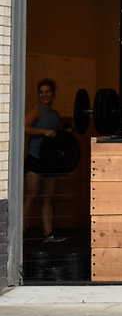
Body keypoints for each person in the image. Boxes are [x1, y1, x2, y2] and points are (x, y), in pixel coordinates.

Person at [23, 78, 66, 242]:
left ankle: (48, 233)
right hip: (35, 158)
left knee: (48, 198)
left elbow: (57, 136)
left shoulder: (55, 114)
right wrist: (44, 131)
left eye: (47, 92)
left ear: (53, 94)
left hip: (50, 161)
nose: (44, 95)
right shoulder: (36, 110)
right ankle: (20, 232)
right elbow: (23, 128)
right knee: (31, 195)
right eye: (41, 92)